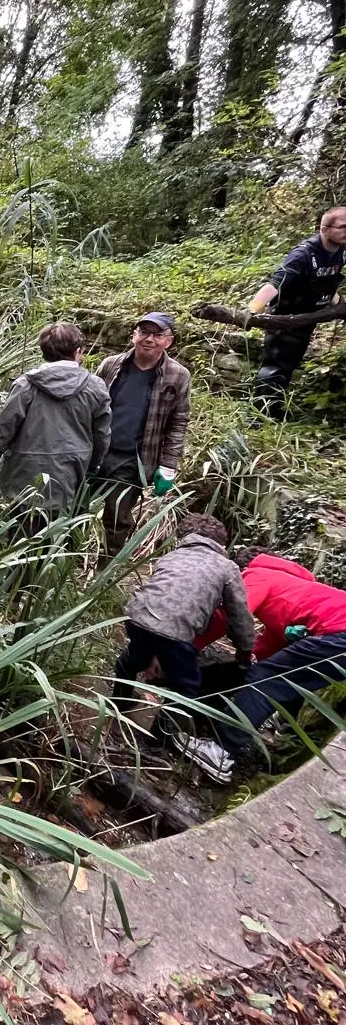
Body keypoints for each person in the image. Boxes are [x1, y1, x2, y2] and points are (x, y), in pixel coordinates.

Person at [112, 512, 255, 782]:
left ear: (186, 536)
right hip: (176, 633)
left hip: (136, 616)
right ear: (220, 542)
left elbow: (162, 598)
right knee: (187, 687)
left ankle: (117, 706)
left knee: (130, 660)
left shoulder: (172, 557)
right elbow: (239, 616)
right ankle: (155, 742)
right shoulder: (227, 568)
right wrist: (245, 651)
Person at [193, 551, 346, 780]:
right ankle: (285, 733)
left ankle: (220, 752)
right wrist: (248, 658)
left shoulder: (257, 574)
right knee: (292, 677)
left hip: (339, 636)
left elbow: (233, 617)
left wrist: (190, 647)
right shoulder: (296, 587)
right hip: (337, 636)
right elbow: (274, 645)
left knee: (264, 680)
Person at [0, 322, 111, 529]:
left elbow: (3, 429)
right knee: (61, 535)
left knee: (22, 533)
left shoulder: (25, 385)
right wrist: (93, 466)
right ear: (78, 351)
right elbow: (102, 434)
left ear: (43, 351)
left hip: (24, 475)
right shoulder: (95, 386)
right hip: (71, 473)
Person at [92, 314, 192, 553]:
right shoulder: (111, 365)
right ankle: (62, 563)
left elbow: (178, 422)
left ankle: (104, 575)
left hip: (133, 459)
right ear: (133, 335)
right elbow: (89, 405)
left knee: (117, 519)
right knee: (73, 508)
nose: (149, 339)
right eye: (144, 332)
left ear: (168, 341)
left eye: (158, 335)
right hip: (95, 452)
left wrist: (168, 466)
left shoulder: (178, 375)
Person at [249, 206, 346, 415]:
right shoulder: (303, 254)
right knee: (276, 364)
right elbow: (277, 282)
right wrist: (252, 310)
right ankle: (261, 415)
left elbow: (327, 282)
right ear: (325, 229)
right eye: (343, 227)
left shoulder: (341, 252)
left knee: (290, 363)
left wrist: (339, 304)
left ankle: (275, 408)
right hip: (285, 317)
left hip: (309, 317)